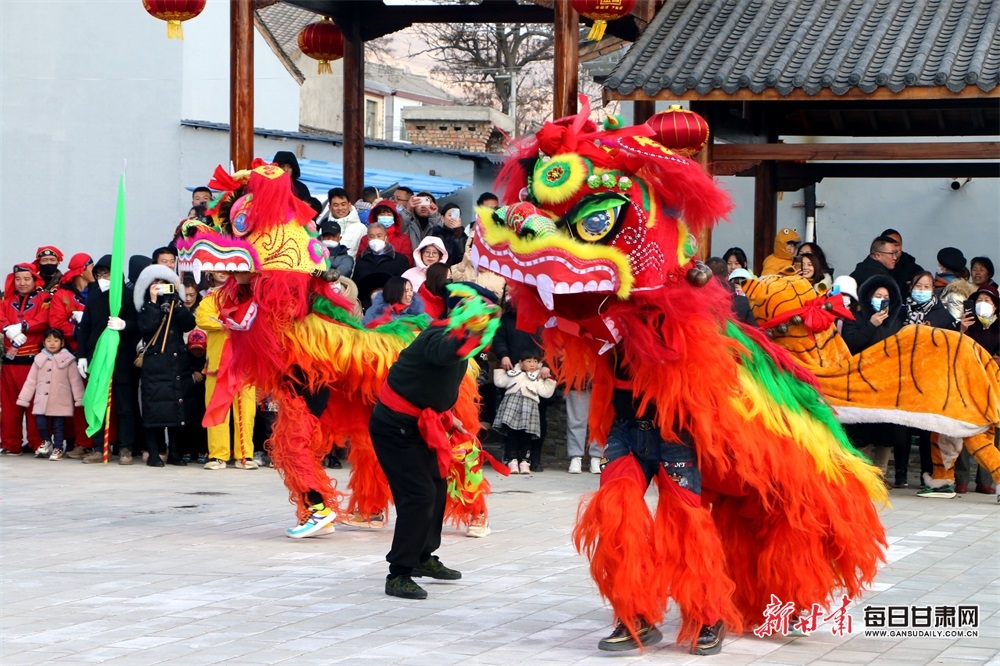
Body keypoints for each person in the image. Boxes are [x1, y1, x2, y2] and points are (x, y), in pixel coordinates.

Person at [370, 289, 500, 600]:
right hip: (395, 427)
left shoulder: (459, 340)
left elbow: (436, 381)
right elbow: (445, 353)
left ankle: (422, 557)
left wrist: (448, 415)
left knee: (436, 488)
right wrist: (473, 329)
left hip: (419, 424)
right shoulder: (440, 337)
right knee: (419, 494)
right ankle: (398, 572)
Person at [840, 276, 910, 488]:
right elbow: (850, 344)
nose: (881, 300)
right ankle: (861, 474)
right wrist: (871, 325)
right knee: (862, 431)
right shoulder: (855, 318)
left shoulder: (896, 322)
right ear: (868, 298)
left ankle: (880, 474)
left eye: (886, 297)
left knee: (887, 432)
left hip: (887, 385)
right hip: (861, 384)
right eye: (877, 296)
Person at [74, 255, 141, 464]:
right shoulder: (94, 297)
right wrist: (82, 356)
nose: (103, 277)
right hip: (98, 359)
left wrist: (124, 325)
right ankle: (98, 447)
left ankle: (126, 447)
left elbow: (138, 325)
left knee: (125, 406)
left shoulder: (128, 296)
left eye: (107, 273)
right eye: (99, 274)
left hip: (122, 359)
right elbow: (84, 328)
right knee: (98, 402)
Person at [134, 264, 197, 467]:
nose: (161, 287)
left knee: (178, 410)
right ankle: (154, 453)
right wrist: (152, 302)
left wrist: (177, 305)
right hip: (155, 364)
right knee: (154, 410)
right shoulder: (144, 306)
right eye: (156, 284)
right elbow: (147, 327)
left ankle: (176, 453)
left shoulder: (175, 303)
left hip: (177, 363)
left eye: (164, 284)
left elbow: (189, 324)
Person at [196, 276, 258, 470]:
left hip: (245, 362)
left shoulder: (253, 296)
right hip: (218, 363)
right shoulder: (212, 297)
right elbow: (202, 318)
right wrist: (226, 322)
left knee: (247, 410)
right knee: (216, 406)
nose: (225, 273)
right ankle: (217, 455)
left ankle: (244, 455)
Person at [1, 264, 50, 455]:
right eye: (18, 279)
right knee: (9, 405)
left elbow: (45, 319)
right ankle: (10, 443)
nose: (22, 283)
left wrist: (23, 326)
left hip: (33, 361)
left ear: (34, 280)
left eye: (26, 279)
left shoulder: (44, 298)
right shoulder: (6, 298)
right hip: (9, 361)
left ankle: (37, 443)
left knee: (34, 405)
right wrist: (7, 329)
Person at [16, 328, 84, 460]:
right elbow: (31, 381)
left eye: (56, 340)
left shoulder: (69, 360)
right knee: (40, 423)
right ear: (44, 342)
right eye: (49, 341)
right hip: (42, 399)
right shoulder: (38, 359)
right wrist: (24, 398)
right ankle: (46, 441)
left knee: (58, 426)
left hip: (60, 399)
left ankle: (58, 448)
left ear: (62, 343)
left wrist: (79, 398)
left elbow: (75, 381)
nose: (52, 343)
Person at [494, 350, 558, 474]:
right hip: (511, 407)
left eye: (535, 362)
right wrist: (502, 367)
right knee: (511, 434)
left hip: (529, 409)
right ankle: (512, 460)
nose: (532, 365)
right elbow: (500, 381)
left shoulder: (537, 378)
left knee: (527, 435)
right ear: (520, 363)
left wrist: (550, 379)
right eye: (528, 361)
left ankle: (524, 461)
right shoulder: (514, 373)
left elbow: (545, 392)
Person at [353, 223, 411, 309]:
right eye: (372, 236)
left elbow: (404, 286)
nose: (375, 239)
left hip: (392, 306)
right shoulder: (361, 261)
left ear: (386, 238)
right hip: (365, 307)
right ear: (368, 240)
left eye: (379, 236)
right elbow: (356, 285)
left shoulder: (399, 260)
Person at [355, 201, 415, 265]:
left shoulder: (403, 239)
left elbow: (407, 262)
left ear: (394, 217)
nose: (385, 217)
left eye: (389, 215)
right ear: (376, 217)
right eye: (382, 214)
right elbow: (360, 261)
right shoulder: (366, 238)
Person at [566, 384, 603, 474]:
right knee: (576, 421)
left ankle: (596, 457)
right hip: (577, 378)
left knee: (600, 421)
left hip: (601, 380)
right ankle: (575, 457)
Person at [325, 187, 366, 259]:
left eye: (343, 204)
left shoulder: (361, 228)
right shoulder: (324, 228)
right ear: (330, 207)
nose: (340, 208)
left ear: (349, 205)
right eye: (336, 205)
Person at [880, 229, 923, 295]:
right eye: (889, 245)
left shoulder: (915, 271)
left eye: (896, 244)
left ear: (901, 245)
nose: (893, 249)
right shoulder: (871, 267)